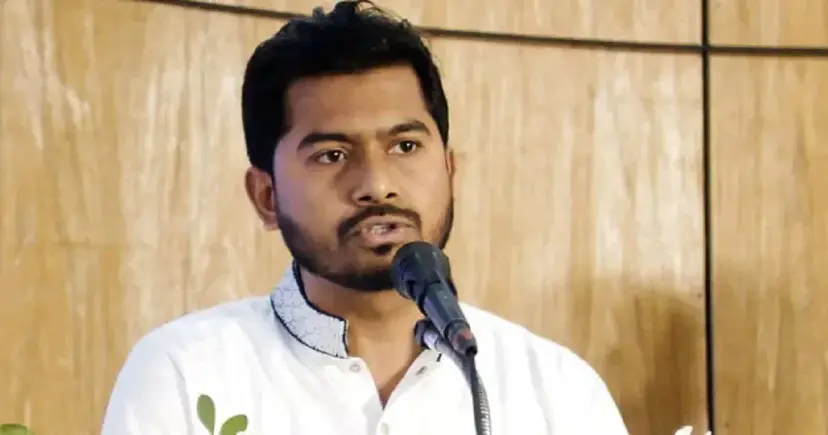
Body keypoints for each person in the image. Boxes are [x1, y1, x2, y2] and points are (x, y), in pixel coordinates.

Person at [101, 1, 629, 433]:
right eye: (332, 155)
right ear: (266, 195)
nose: (377, 184)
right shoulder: (184, 375)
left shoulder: (557, 391)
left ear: (450, 170)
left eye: (405, 146)